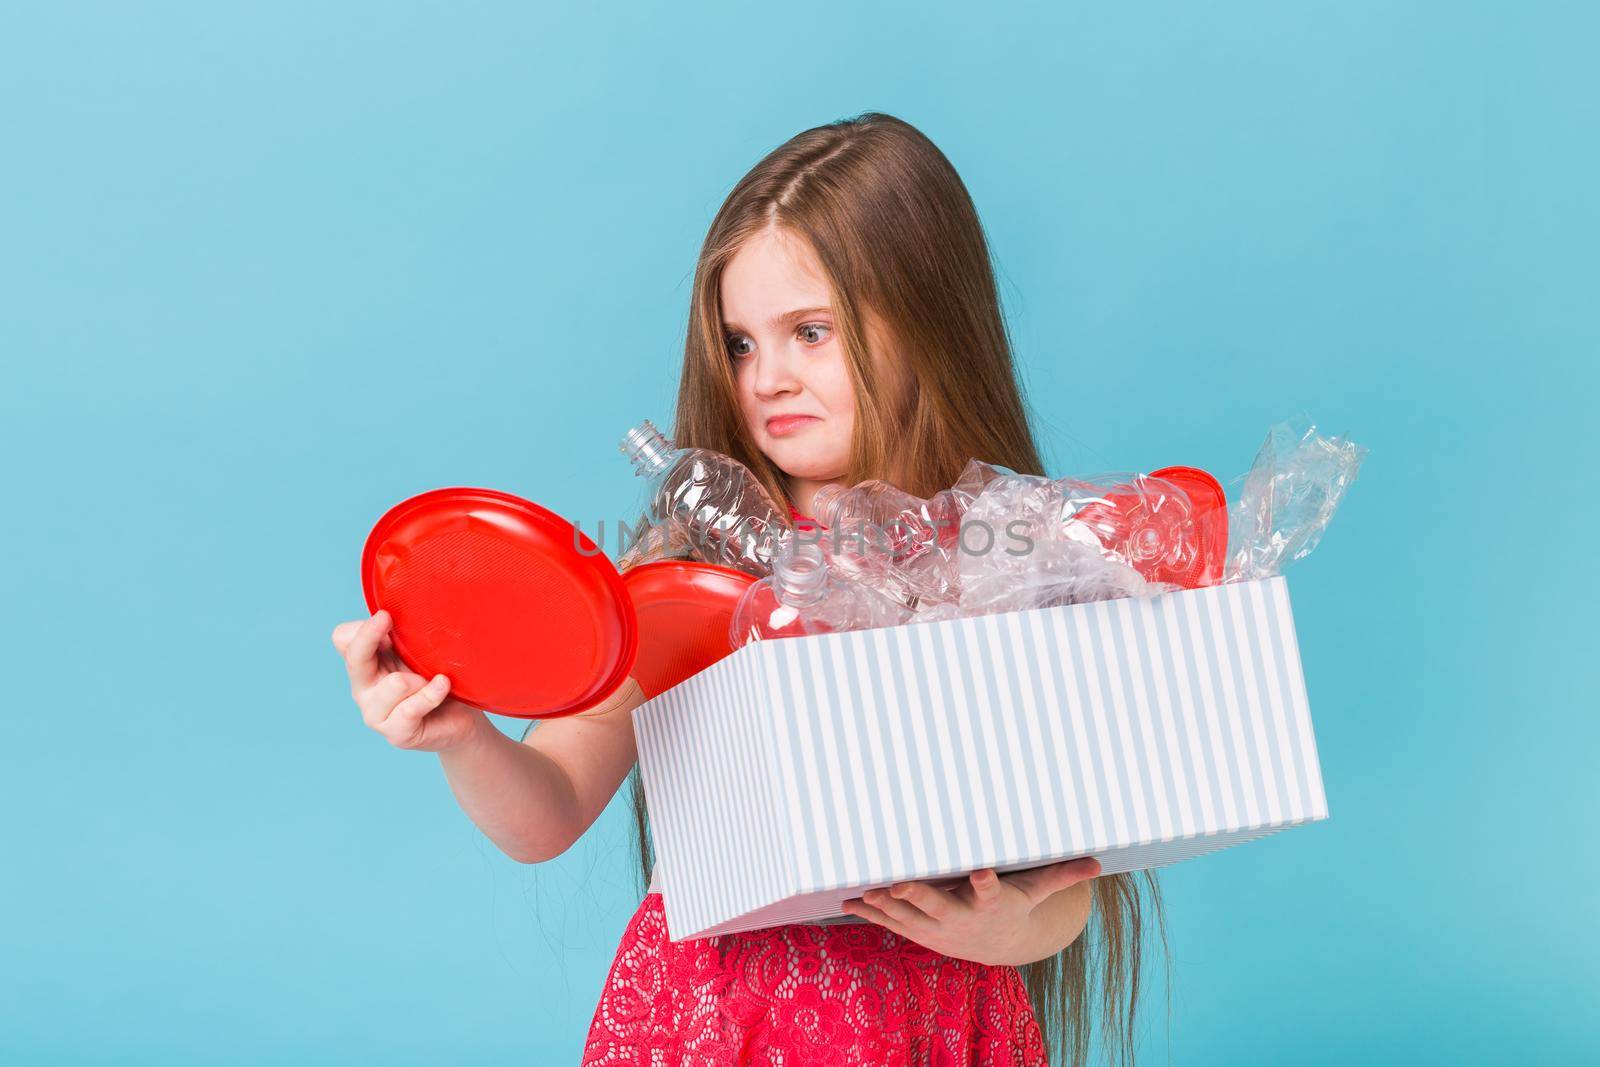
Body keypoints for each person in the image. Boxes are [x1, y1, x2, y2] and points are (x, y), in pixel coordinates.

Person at [332, 112, 1165, 1066]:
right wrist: (464, 735)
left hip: (934, 1016)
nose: (767, 378)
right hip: (726, 1020)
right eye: (738, 344)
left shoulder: (1006, 552)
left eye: (810, 332)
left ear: (926, 319)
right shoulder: (693, 566)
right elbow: (550, 808)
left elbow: (1067, 882)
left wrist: (1000, 935)